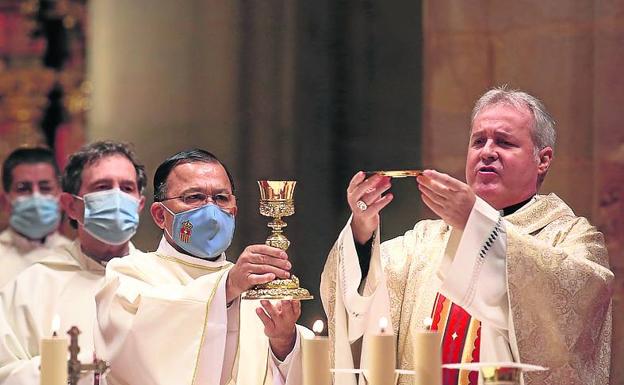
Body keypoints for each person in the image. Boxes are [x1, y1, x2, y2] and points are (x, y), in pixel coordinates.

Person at [321, 87, 613, 385]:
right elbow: (357, 296)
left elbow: (580, 299)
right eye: (478, 141)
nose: (487, 151)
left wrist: (480, 226)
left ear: (543, 160)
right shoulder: (424, 241)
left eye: (504, 142)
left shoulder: (570, 237)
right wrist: (362, 228)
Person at [95, 149, 308, 385]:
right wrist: (225, 287)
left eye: (221, 198)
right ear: (159, 215)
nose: (211, 210)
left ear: (234, 211)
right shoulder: (128, 274)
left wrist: (284, 343)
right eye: (194, 197)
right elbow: (133, 345)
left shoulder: (254, 286)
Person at [0, 141, 146, 384]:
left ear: (140, 204)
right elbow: (5, 372)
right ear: (70, 205)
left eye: (127, 188)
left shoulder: (161, 282)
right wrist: (75, 369)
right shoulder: (29, 287)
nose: (117, 198)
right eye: (102, 187)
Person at [0, 147, 71, 287]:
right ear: (5, 200)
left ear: (61, 196)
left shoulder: (78, 257)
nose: (36, 197)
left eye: (45, 188)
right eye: (23, 188)